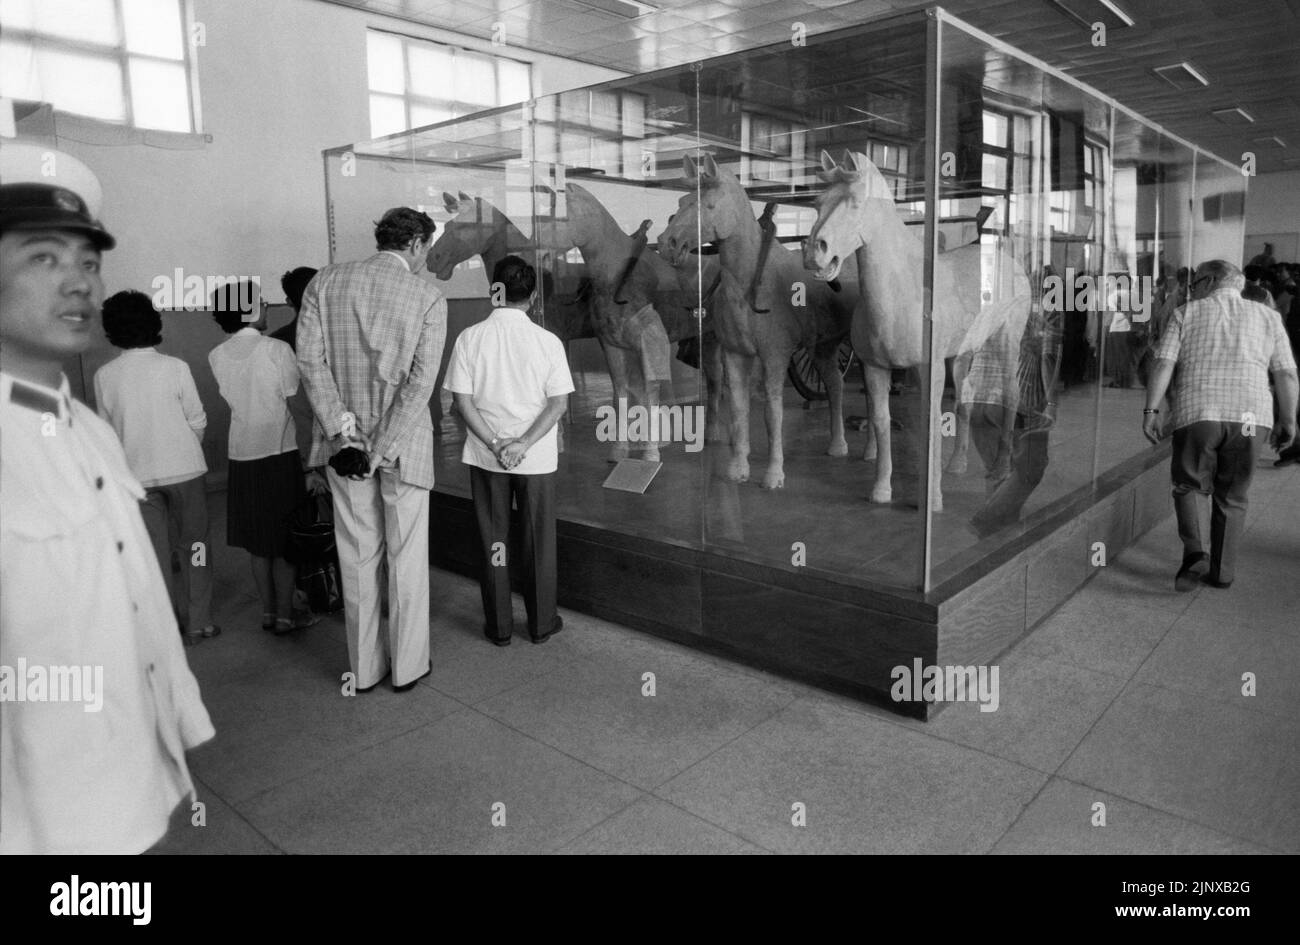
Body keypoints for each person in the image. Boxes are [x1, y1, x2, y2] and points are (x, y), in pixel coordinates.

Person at [0, 180, 213, 853]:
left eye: (88, 263)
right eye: (43, 258)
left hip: (128, 787)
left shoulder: (85, 423)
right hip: (42, 819)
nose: (78, 283)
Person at [297, 207, 446, 692]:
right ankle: (407, 667)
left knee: (357, 556)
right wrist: (380, 448)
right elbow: (420, 384)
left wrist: (344, 438)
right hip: (403, 447)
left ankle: (363, 670)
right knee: (406, 557)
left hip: (343, 450)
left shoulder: (324, 283)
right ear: (418, 245)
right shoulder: (427, 295)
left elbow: (310, 365)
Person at [1143, 260, 1298, 591]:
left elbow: (1163, 362)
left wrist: (1151, 409)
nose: (1192, 289)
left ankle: (1194, 552)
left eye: (1196, 283)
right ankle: (1222, 573)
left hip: (1200, 415)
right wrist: (1288, 420)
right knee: (1233, 495)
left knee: (1186, 484)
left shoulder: (1187, 313)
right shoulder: (1269, 317)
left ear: (1211, 281)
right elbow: (1285, 373)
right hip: (1250, 421)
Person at [444, 255, 574, 645]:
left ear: (493, 291)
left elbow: (462, 404)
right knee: (538, 541)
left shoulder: (470, 338)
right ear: (532, 297)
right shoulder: (547, 341)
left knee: (494, 539)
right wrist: (522, 445)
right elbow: (558, 405)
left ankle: (499, 627)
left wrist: (498, 444)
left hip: (487, 457)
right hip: (534, 459)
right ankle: (541, 623)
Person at [94, 289, 217, 645]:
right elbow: (197, 419)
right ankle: (200, 621)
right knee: (195, 546)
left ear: (110, 329)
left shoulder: (105, 376)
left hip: (137, 477)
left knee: (153, 554)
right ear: (154, 324)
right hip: (186, 471)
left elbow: (107, 433)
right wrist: (183, 448)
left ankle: (165, 628)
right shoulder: (175, 368)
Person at [208, 279, 314, 634]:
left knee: (257, 543)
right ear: (249, 310)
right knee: (285, 542)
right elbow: (296, 404)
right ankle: (286, 615)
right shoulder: (276, 350)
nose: (267, 309)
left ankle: (267, 612)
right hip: (280, 453)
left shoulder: (217, 355)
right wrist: (311, 459)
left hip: (242, 455)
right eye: (262, 304)